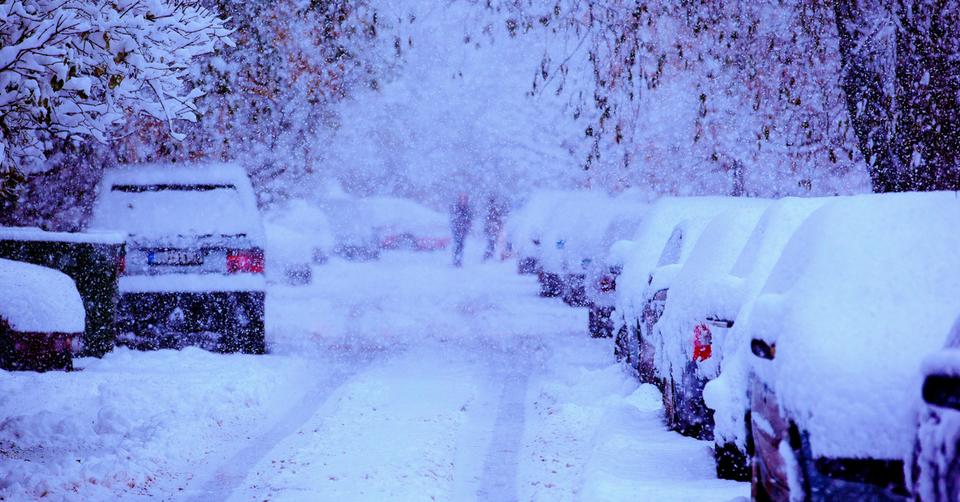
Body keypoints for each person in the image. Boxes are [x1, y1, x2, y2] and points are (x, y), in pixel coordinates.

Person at [450, 193, 473, 267]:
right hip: (457, 230)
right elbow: (453, 218)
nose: (463, 200)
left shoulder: (467, 209)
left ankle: (458, 260)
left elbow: (470, 219)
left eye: (464, 199)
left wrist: (466, 226)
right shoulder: (456, 207)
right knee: (457, 245)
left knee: (461, 245)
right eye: (461, 199)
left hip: (463, 230)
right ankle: (456, 260)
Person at [482, 196, 503, 261]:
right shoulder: (494, 210)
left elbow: (487, 220)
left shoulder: (490, 210)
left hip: (493, 229)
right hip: (492, 229)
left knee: (491, 243)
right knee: (491, 243)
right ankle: (488, 256)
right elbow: (497, 220)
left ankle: (488, 256)